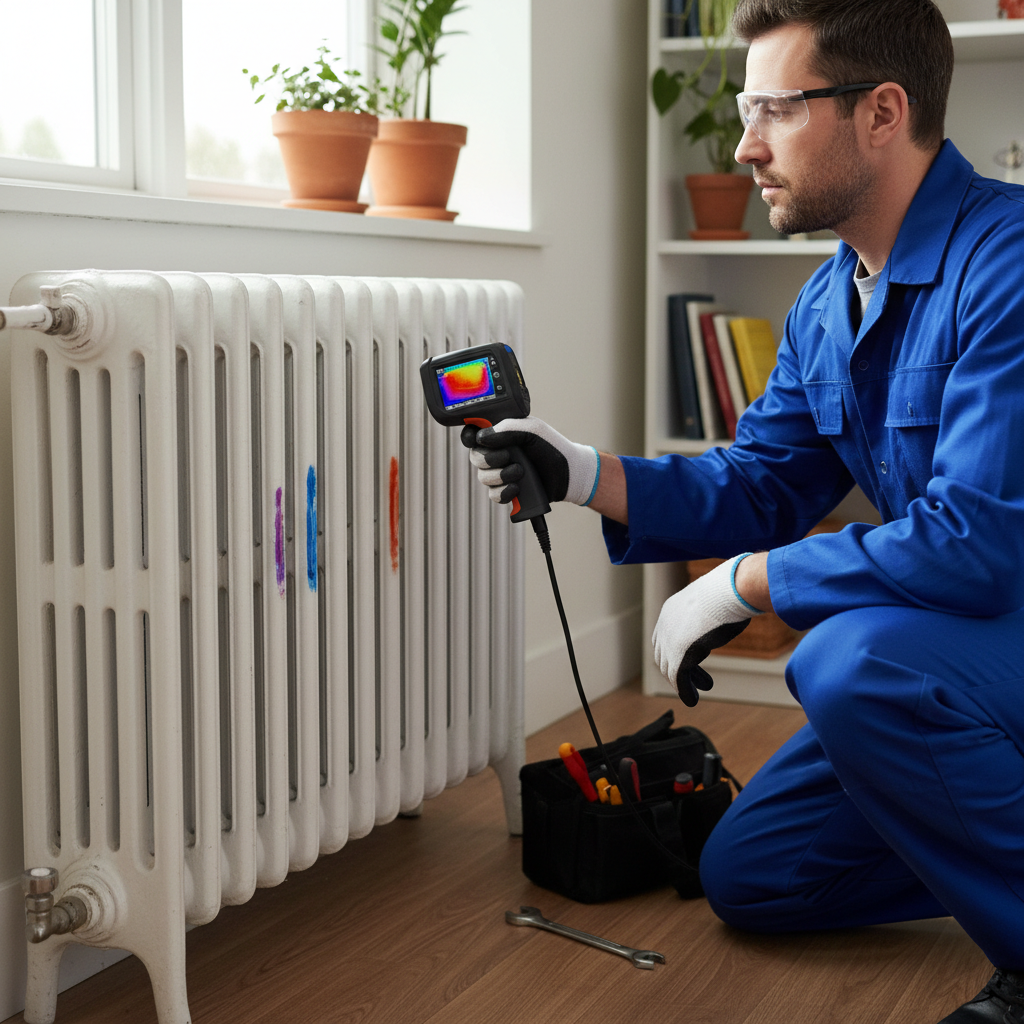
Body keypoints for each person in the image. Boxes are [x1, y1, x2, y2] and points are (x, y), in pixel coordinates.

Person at [461, 1, 1024, 1021]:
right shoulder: (825, 301)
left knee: (849, 661)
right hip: (972, 641)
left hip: (995, 617)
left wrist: (747, 580)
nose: (743, 143)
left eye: (773, 108)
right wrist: (584, 470)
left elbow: (976, 546)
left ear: (881, 112)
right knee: (755, 874)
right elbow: (763, 481)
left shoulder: (1010, 263)